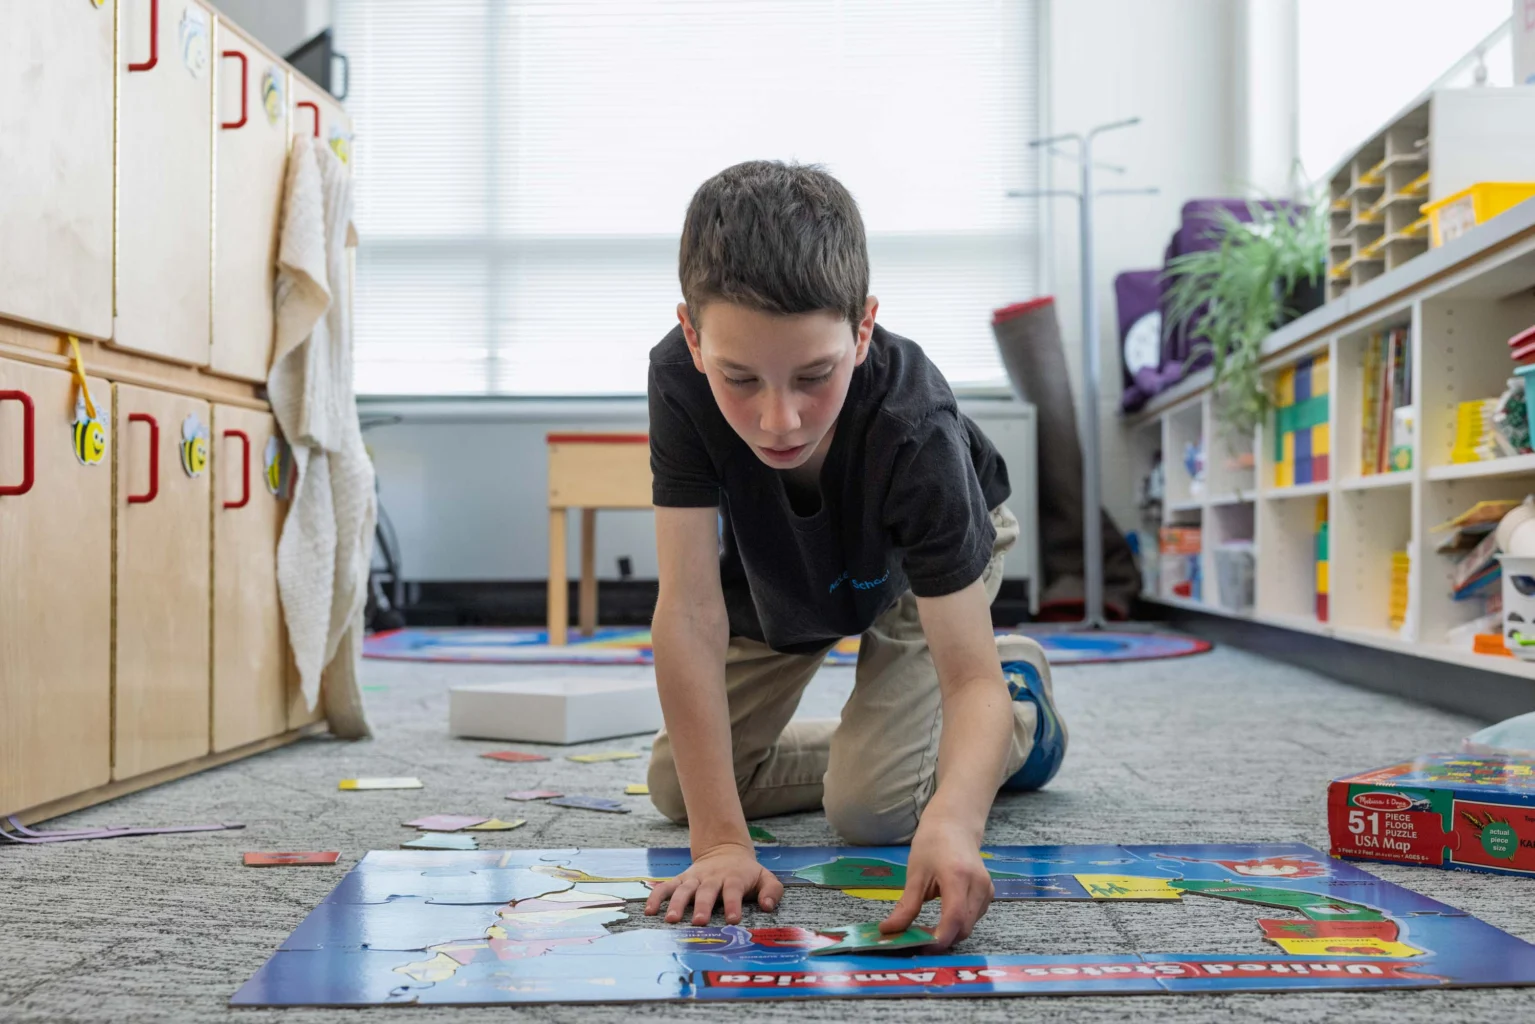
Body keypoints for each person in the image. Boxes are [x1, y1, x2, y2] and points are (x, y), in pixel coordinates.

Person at [641, 160, 1067, 950]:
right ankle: (905, 748)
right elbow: (691, 609)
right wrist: (720, 844)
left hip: (919, 568)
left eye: (815, 375)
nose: (778, 419)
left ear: (863, 328)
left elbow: (963, 677)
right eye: (738, 378)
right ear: (694, 338)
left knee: (872, 811)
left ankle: (1022, 715)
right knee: (680, 788)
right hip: (790, 566)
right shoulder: (675, 377)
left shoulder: (916, 427)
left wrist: (953, 818)